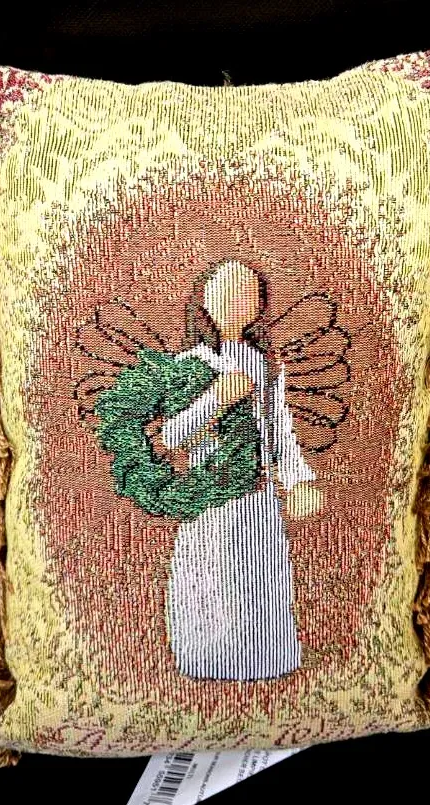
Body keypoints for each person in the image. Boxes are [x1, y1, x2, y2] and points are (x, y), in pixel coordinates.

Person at [162, 260, 322, 680]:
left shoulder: (265, 365)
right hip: (210, 494)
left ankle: (266, 655)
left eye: (249, 293)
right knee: (212, 576)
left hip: (258, 498)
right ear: (204, 300)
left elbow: (279, 430)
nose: (238, 301)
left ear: (259, 304)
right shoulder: (189, 364)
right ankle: (206, 656)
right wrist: (216, 400)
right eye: (226, 292)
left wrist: (298, 480)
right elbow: (172, 435)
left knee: (259, 574)